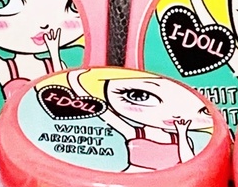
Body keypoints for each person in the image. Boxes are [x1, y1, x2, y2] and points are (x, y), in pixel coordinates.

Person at [65, 68, 212, 171]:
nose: (172, 113)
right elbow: (102, 111)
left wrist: (182, 133)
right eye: (139, 96)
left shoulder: (180, 137)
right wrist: (75, 83)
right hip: (129, 185)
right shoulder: (134, 133)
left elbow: (189, 161)